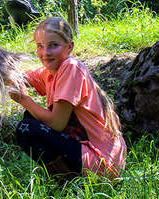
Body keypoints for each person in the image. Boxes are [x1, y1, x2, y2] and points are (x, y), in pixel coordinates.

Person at [9, 17, 126, 179]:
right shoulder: (51, 72)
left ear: (69, 47)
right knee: (31, 117)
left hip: (102, 162)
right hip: (91, 156)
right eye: (40, 46)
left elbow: (56, 123)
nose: (45, 53)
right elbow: (20, 77)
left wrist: (24, 100)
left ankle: (68, 183)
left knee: (26, 128)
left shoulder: (71, 68)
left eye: (53, 45)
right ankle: (70, 180)